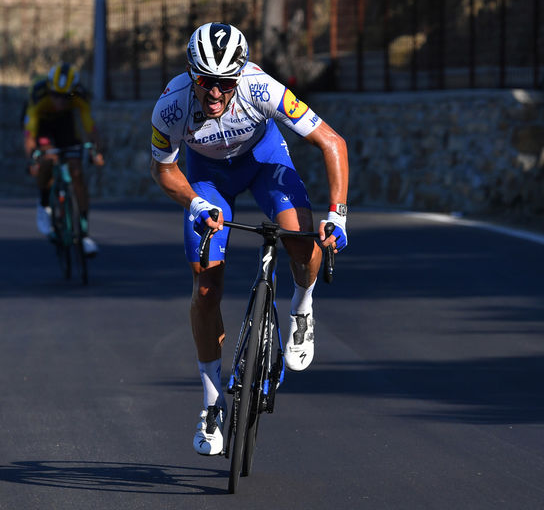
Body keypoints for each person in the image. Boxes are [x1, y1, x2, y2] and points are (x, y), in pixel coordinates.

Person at [149, 23, 349, 456]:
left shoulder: (262, 88)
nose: (215, 93)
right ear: (191, 73)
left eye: (224, 83)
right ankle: (210, 403)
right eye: (205, 81)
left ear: (239, 76)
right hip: (207, 179)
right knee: (206, 287)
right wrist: (195, 204)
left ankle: (302, 305)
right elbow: (164, 169)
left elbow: (332, 142)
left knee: (300, 239)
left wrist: (338, 214)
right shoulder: (170, 106)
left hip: (264, 161)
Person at [24, 62, 105, 255]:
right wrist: (32, 158)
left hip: (65, 124)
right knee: (48, 159)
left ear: (74, 92)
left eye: (65, 96)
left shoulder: (79, 96)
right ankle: (44, 204)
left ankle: (83, 232)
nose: (59, 101)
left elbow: (89, 127)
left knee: (77, 172)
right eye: (55, 95)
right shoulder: (39, 95)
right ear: (49, 89)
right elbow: (29, 135)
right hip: (41, 123)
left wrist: (96, 151)